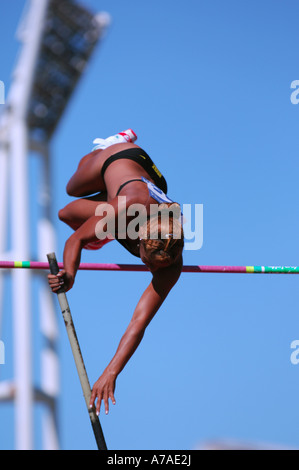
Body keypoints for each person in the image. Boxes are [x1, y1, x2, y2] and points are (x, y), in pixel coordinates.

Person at [48, 130, 184, 416]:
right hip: (120, 160)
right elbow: (74, 241)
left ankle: (107, 207)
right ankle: (114, 141)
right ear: (141, 240)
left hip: (145, 184)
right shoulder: (124, 212)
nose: (150, 270)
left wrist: (112, 371)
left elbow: (139, 322)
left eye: (155, 268)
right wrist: (70, 274)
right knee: (71, 197)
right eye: (148, 262)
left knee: (76, 217)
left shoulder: (172, 261)